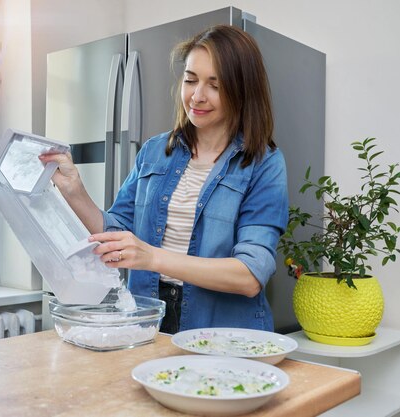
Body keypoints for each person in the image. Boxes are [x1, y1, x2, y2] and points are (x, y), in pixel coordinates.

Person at [39, 25, 288, 334]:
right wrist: (74, 191)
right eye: (191, 80)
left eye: (215, 84)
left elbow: (250, 276)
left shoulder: (263, 163)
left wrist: (153, 257)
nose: (197, 96)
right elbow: (117, 234)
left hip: (222, 331)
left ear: (241, 90)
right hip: (149, 318)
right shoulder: (156, 151)